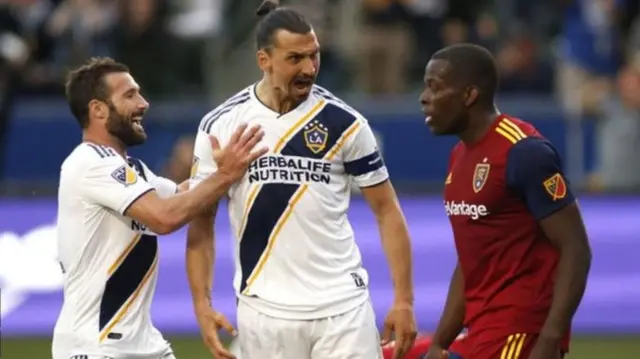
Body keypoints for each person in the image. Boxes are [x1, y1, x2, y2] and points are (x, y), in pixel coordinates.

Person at [186, 1, 417, 359]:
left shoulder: (346, 123)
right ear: (265, 60)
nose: (310, 68)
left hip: (343, 310)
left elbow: (387, 211)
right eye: (296, 58)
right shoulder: (222, 124)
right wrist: (202, 304)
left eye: (314, 56)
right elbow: (201, 219)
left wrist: (404, 300)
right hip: (264, 313)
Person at [52, 57, 266, 359]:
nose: (143, 103)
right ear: (98, 109)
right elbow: (165, 217)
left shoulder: (132, 169)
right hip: (95, 346)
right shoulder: (89, 162)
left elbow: (186, 195)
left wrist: (222, 168)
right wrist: (224, 175)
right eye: (129, 95)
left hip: (143, 345)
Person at [419, 43, 592, 359]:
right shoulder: (459, 156)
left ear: (469, 96)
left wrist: (550, 340)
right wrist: (438, 343)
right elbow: (472, 258)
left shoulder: (524, 152)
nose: (424, 97)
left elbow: (576, 248)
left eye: (435, 87)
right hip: (481, 331)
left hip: (521, 334)